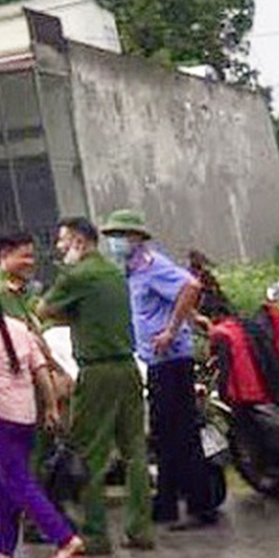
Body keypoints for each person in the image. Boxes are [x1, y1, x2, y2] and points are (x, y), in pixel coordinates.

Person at [36, 217, 154, 555]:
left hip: (97, 371)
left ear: (78, 242)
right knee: (134, 452)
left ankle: (96, 532)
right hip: (127, 367)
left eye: (63, 241)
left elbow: (43, 310)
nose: (59, 248)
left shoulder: (78, 276)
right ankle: (139, 529)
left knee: (91, 453)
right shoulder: (115, 273)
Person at [102, 209, 219, 531]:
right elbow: (176, 296)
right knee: (165, 435)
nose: (115, 242)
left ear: (137, 238)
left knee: (180, 435)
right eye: (112, 237)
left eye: (120, 236)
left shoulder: (153, 266)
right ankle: (166, 505)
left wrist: (172, 328)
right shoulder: (133, 270)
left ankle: (201, 507)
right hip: (157, 361)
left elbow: (190, 286)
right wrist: (192, 319)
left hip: (171, 361)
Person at [0, 277, 85, 558]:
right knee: (7, 481)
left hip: (0, 416)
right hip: (26, 414)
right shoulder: (18, 328)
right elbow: (40, 369)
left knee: (19, 482)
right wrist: (51, 406)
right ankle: (5, 545)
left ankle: (65, 538)